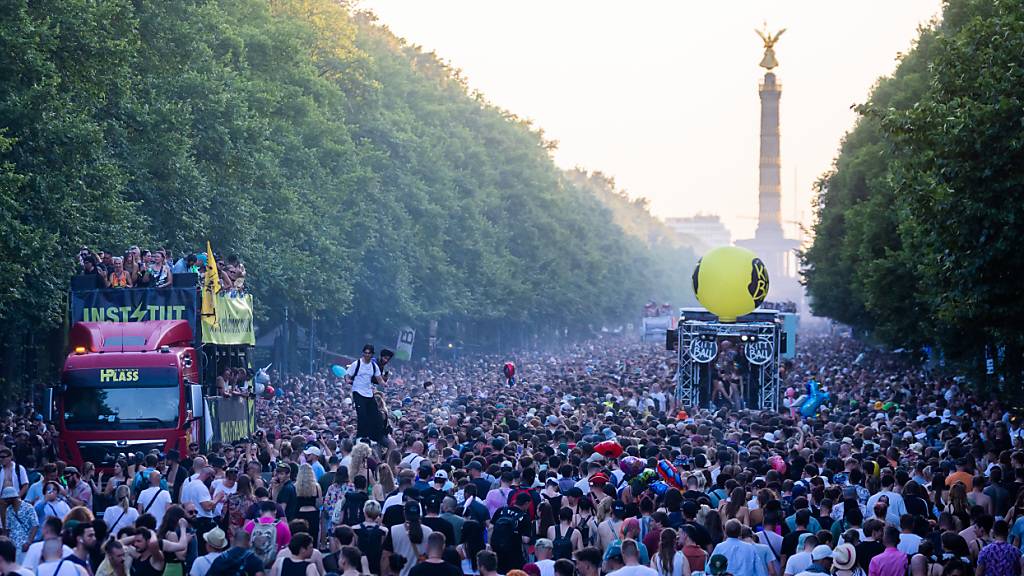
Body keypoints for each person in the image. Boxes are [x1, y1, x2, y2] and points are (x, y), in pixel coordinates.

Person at [346, 345, 388, 445]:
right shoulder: (357, 364)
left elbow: (379, 379)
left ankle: (373, 437)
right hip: (358, 392)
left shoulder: (374, 366)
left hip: (368, 393)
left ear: (372, 354)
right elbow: (348, 375)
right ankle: (360, 437)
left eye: (369, 353)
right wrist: (347, 380)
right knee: (362, 416)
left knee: (376, 416)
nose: (367, 355)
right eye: (365, 353)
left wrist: (384, 383)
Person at [2, 487, 36, 562]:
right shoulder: (8, 510)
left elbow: (35, 525)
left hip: (25, 544)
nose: (5, 501)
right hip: (13, 544)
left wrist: (29, 542)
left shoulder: (28, 507)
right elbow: (8, 528)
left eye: (6, 499)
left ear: (11, 498)